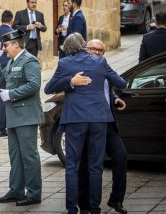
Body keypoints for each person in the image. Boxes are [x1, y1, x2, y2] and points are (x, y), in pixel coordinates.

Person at [44, 33, 126, 214]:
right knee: (95, 167)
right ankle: (94, 209)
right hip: (99, 120)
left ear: (67, 48)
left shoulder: (65, 63)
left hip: (75, 120)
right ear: (83, 45)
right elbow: (121, 82)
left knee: (72, 166)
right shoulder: (100, 62)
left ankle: (72, 209)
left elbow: (48, 88)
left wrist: (69, 82)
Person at [72, 39, 128, 214]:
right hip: (87, 122)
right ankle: (85, 205)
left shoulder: (103, 66)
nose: (96, 52)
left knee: (120, 156)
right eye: (93, 49)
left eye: (100, 51)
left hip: (107, 122)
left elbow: (107, 87)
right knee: (86, 164)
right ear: (86, 49)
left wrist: (114, 98)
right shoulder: (78, 68)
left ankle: (116, 199)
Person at [0, 29, 43, 206]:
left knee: (29, 156)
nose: (4, 49)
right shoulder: (13, 61)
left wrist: (12, 94)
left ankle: (34, 193)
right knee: (15, 156)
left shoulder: (29, 60)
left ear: (15, 44)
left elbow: (34, 85)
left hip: (26, 116)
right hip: (14, 116)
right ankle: (16, 190)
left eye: (6, 46)